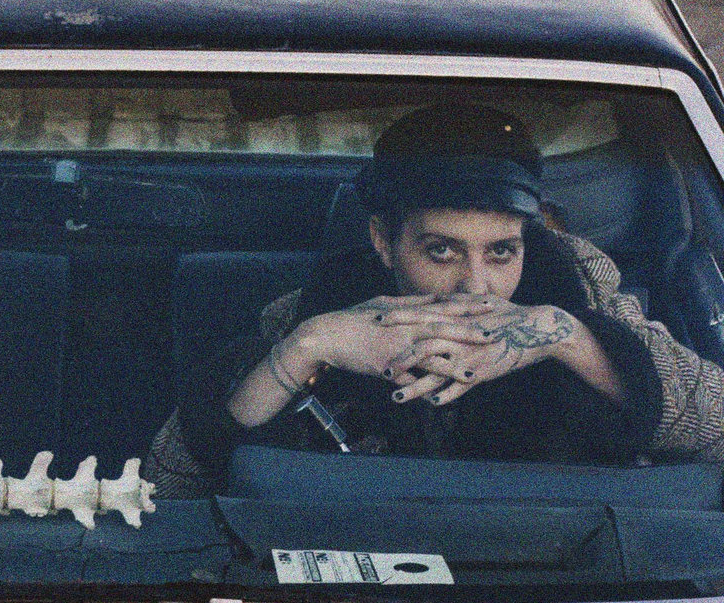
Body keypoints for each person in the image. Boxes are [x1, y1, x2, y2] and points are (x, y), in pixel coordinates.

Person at [144, 103, 693, 496]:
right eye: (442, 251)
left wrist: (568, 338)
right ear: (384, 242)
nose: (476, 286)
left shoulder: (583, 291)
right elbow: (165, 485)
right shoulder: (314, 315)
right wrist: (303, 349)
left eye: (501, 252)